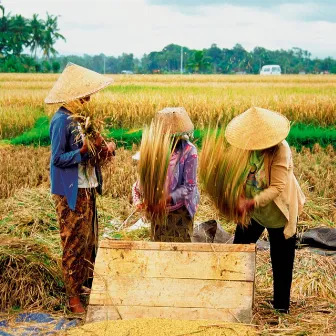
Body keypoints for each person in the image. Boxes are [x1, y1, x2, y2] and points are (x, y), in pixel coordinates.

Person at [46, 63, 116, 313]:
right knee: (73, 242)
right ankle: (72, 297)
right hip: (70, 192)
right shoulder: (61, 120)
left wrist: (104, 150)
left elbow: (90, 156)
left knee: (87, 241)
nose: (88, 97)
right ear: (74, 94)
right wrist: (83, 150)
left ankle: (81, 283)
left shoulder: (83, 120)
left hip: (88, 189)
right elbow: (57, 158)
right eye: (85, 93)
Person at [225, 107, 305, 314]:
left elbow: (277, 187)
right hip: (254, 211)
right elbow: (239, 175)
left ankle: (281, 309)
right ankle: (237, 296)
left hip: (279, 211)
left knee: (281, 260)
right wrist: (239, 196)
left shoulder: (281, 150)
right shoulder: (245, 148)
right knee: (239, 250)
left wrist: (251, 203)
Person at [133, 107, 200, 242]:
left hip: (180, 209)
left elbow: (189, 186)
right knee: (159, 245)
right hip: (157, 209)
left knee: (180, 247)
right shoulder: (153, 149)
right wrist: (139, 199)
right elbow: (142, 180)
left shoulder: (189, 151)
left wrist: (167, 199)